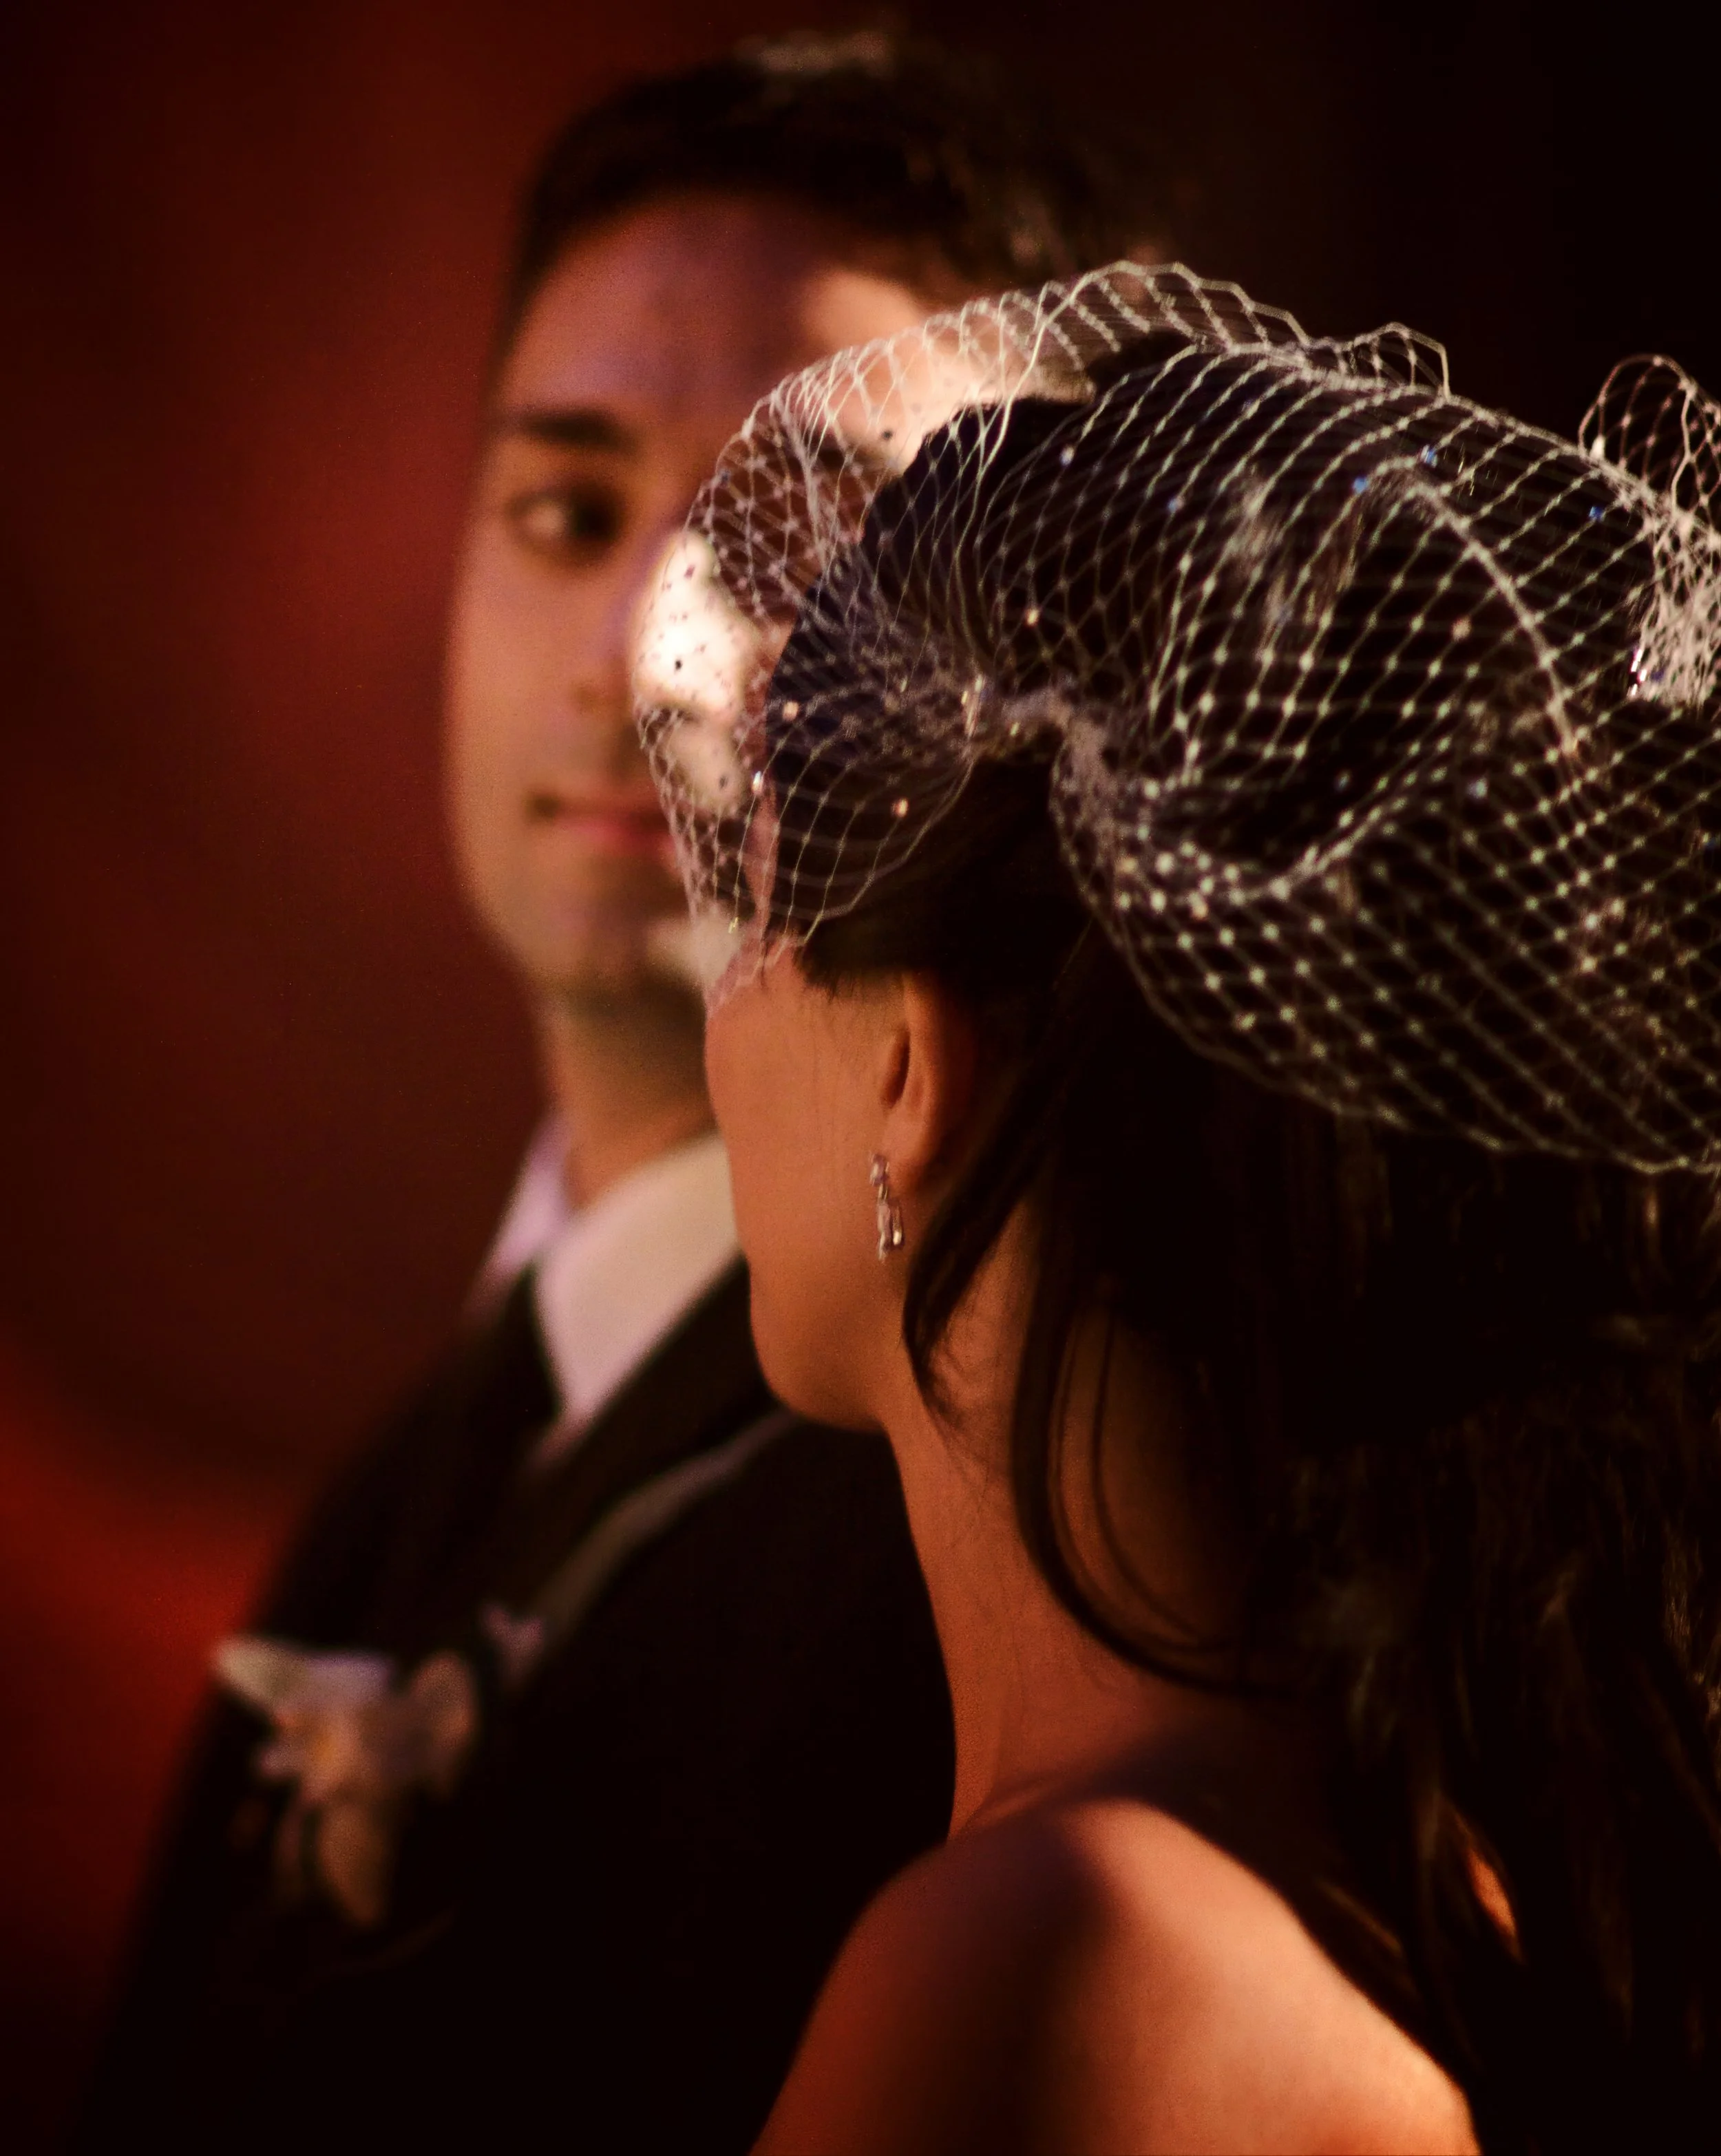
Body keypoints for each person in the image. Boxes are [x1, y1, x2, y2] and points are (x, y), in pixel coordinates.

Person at [77, 41, 1161, 2155]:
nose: (640, 649)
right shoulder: (390, 1483)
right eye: (564, 509)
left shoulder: (1032, 1553)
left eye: (804, 537)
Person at [633, 265, 1721, 2150]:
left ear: (914, 1064)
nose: (713, 1022)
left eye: (755, 913)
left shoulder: (1071, 1966)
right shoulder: (1427, 1892)